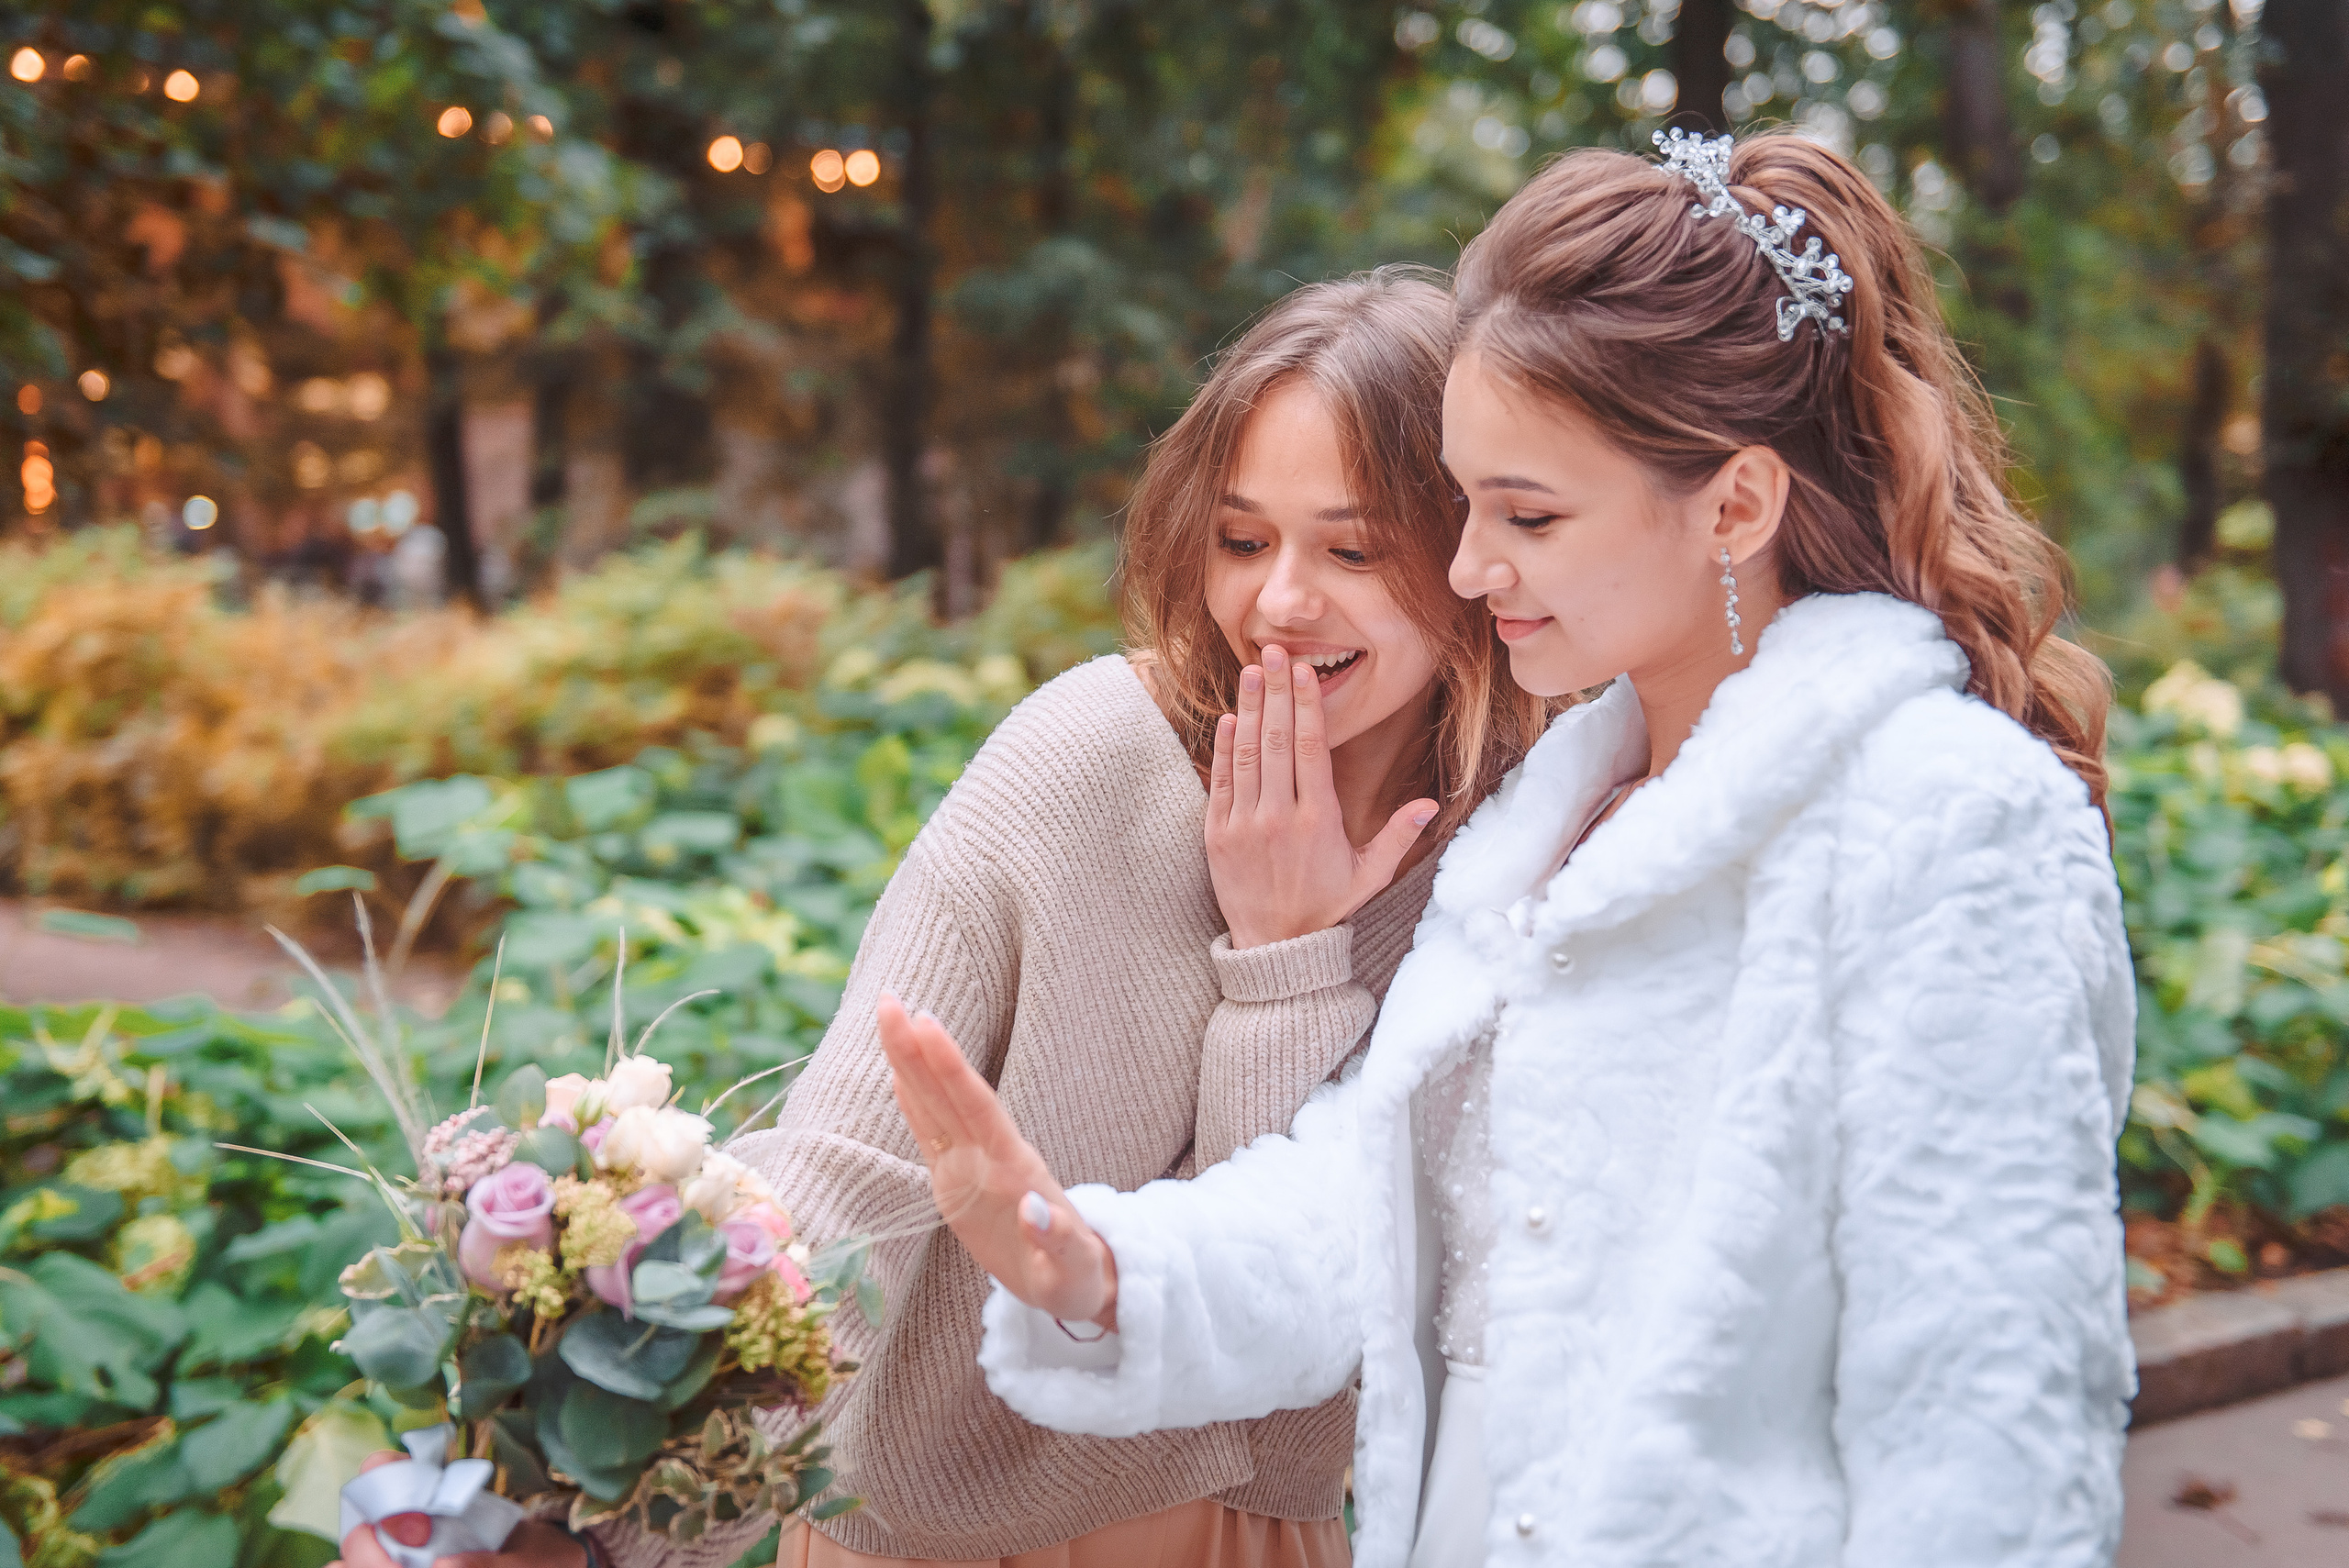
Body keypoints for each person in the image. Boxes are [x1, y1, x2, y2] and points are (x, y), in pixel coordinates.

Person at [879, 130, 2138, 1567]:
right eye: (1467, 503)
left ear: (1735, 504)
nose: (1470, 568)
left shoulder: (1944, 820)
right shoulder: (1553, 812)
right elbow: (1379, 1204)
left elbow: (1988, 1424)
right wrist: (1090, 1264)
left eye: (1526, 514)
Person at [329, 269, 1549, 1568]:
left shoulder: (1507, 851)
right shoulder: (1079, 756)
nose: (1280, 604)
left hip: (1238, 1535)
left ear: (1467, 549)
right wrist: (595, 1526)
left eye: (1353, 550)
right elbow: (847, 1176)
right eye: (1244, 540)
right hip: (921, 1534)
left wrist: (1285, 965)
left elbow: (1280, 1303)